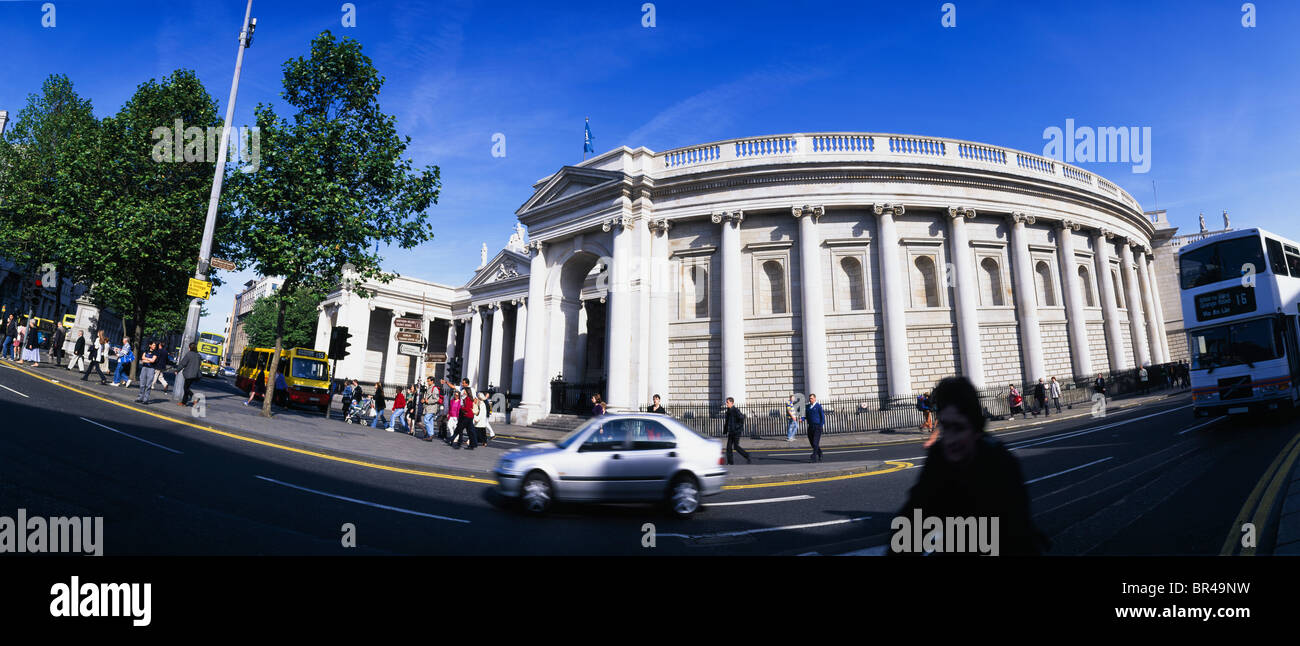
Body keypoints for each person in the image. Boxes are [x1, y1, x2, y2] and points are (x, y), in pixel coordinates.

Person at [895, 376, 1045, 555]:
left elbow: (1016, 531)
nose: (950, 439)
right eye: (945, 427)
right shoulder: (938, 457)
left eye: (958, 428)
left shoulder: (999, 461)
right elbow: (913, 520)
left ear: (975, 428)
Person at [722, 397, 751, 465]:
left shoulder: (735, 410)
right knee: (728, 448)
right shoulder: (728, 411)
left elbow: (742, 418)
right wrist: (725, 430)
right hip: (731, 432)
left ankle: (747, 455)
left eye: (727, 402)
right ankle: (730, 462)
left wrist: (736, 427)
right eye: (726, 402)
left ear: (732, 403)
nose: (726, 404)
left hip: (736, 432)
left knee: (736, 447)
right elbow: (727, 422)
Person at [806, 393, 825, 462]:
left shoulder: (818, 406)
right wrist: (802, 419)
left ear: (814, 398)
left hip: (817, 426)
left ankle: (814, 457)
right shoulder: (807, 406)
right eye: (809, 398)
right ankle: (820, 453)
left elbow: (822, 416)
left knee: (815, 442)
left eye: (811, 398)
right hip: (810, 426)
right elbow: (806, 415)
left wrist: (821, 425)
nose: (810, 399)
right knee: (812, 443)